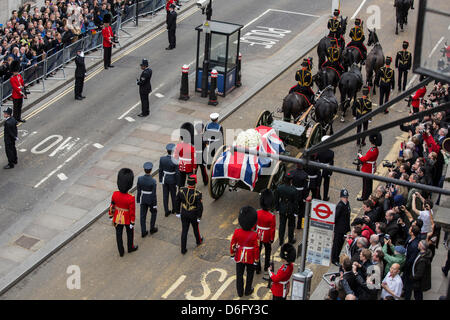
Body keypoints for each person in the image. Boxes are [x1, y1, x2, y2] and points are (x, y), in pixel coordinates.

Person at [108, 168, 138, 257]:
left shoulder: (115, 194)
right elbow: (132, 212)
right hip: (127, 218)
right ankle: (130, 247)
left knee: (118, 235)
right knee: (130, 234)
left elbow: (112, 206)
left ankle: (121, 251)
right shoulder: (131, 197)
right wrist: (132, 221)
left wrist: (111, 215)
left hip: (117, 217)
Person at [230, 206, 259, 297]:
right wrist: (256, 260)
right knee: (250, 274)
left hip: (239, 256)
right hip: (250, 257)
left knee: (239, 275)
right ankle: (247, 290)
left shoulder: (237, 231)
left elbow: (233, 244)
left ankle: (240, 292)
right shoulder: (254, 235)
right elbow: (256, 249)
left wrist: (232, 254)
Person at [176, 174, 204, 254]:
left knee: (184, 230)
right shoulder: (198, 194)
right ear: (195, 183)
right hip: (193, 214)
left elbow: (177, 201)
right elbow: (200, 207)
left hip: (184, 212)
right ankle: (198, 241)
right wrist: (199, 216)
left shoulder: (181, 190)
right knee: (195, 228)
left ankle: (183, 249)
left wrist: (178, 212)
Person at [255, 189, 276, 276]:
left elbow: (254, 224)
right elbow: (272, 229)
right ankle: (266, 266)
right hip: (267, 235)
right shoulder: (271, 216)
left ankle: (258, 267)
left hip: (258, 234)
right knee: (268, 250)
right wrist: (271, 238)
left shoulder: (257, 212)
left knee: (258, 251)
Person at [274, 172, 298, 246]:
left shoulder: (279, 188)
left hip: (282, 209)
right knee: (291, 226)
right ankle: (291, 239)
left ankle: (281, 241)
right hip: (291, 210)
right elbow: (295, 202)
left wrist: (277, 209)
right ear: (291, 181)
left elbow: (276, 199)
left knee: (282, 225)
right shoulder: (294, 190)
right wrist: (296, 212)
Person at [357, 133, 381, 201]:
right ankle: (368, 195)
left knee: (365, 184)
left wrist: (359, 155)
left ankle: (364, 197)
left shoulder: (372, 150)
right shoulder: (375, 149)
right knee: (369, 183)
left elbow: (364, 159)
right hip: (371, 167)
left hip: (367, 169)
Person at [136, 162, 158, 237]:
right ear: (151, 170)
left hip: (143, 199)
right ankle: (152, 228)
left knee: (142, 216)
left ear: (144, 170)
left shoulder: (139, 179)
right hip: (151, 200)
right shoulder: (153, 181)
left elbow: (138, 191)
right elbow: (154, 194)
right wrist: (155, 205)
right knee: (154, 213)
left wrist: (138, 200)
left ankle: (143, 231)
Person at [331, 189, 351, 266]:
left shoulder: (347, 203)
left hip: (344, 228)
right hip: (339, 229)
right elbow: (335, 218)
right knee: (336, 244)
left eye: (346, 197)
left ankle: (337, 256)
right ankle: (334, 259)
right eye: (344, 197)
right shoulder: (340, 206)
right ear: (341, 197)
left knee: (341, 244)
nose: (346, 199)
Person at [174, 122, 196, 187]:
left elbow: (176, 157)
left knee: (181, 183)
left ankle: (180, 194)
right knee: (191, 183)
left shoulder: (178, 146)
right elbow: (194, 160)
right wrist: (194, 168)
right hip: (189, 168)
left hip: (181, 167)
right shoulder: (192, 148)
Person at [159, 143, 179, 217]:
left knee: (165, 196)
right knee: (173, 195)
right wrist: (177, 183)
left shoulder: (162, 159)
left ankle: (166, 211)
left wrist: (161, 180)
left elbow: (160, 170)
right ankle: (174, 209)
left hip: (165, 179)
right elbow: (177, 173)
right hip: (172, 179)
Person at [289, 163, 308, 230]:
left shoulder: (292, 172)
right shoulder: (305, 175)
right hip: (301, 194)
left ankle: (292, 225)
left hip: (293, 194)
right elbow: (305, 188)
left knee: (293, 210)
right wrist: (305, 197)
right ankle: (300, 225)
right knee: (302, 211)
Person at [317, 135, 334, 201]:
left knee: (318, 183)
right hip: (326, 169)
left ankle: (318, 196)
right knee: (326, 184)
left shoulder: (318, 151)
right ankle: (325, 197)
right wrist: (330, 172)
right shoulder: (331, 153)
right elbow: (331, 163)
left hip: (319, 168)